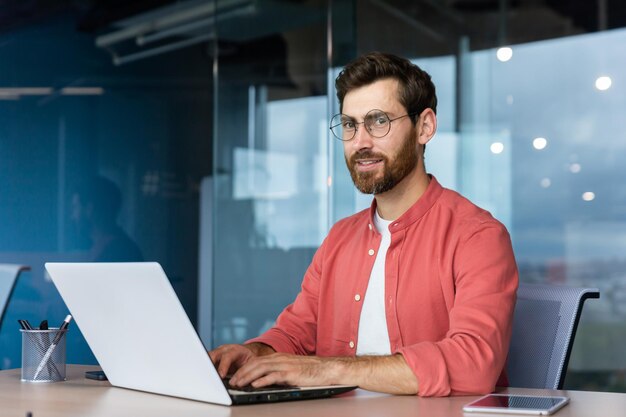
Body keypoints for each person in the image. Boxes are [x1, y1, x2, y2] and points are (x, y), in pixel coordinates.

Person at [209, 52, 518, 396]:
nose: (360, 142)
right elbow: (297, 332)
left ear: (425, 127)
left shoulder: (477, 236)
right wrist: (254, 354)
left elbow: (473, 364)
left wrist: (331, 368)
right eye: (350, 125)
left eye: (378, 121)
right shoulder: (341, 237)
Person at [71, 176, 143, 262]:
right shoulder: (125, 247)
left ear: (90, 209)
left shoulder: (119, 252)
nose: (73, 216)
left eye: (75, 207)